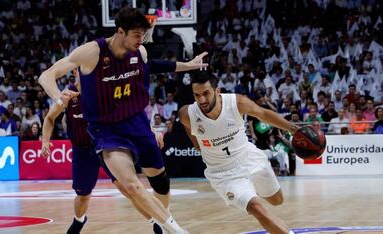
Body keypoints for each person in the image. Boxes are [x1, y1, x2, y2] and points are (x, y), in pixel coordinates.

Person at [38, 7, 207, 234]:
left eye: (143, 35)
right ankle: (177, 231)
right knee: (131, 185)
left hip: (136, 123)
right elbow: (46, 75)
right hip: (106, 130)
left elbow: (157, 66)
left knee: (161, 185)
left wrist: (189, 65)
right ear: (120, 31)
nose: (142, 40)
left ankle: (161, 225)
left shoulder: (141, 53)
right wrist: (58, 97)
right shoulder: (92, 52)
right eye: (137, 35)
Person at [41, 72, 166, 233]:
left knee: (128, 188)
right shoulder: (67, 95)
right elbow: (50, 118)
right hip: (82, 151)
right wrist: (45, 140)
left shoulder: (104, 90)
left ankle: (156, 221)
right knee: (83, 195)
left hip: (106, 144)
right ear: (75, 72)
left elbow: (129, 113)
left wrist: (151, 131)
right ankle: (79, 220)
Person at [179, 72, 297, 234]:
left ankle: (253, 191)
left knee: (277, 200)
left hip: (249, 158)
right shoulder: (187, 114)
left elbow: (263, 114)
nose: (201, 100)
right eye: (197, 95)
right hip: (223, 174)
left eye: (206, 93)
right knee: (257, 208)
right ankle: (249, 196)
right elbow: (194, 138)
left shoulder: (237, 102)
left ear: (217, 91)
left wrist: (293, 128)